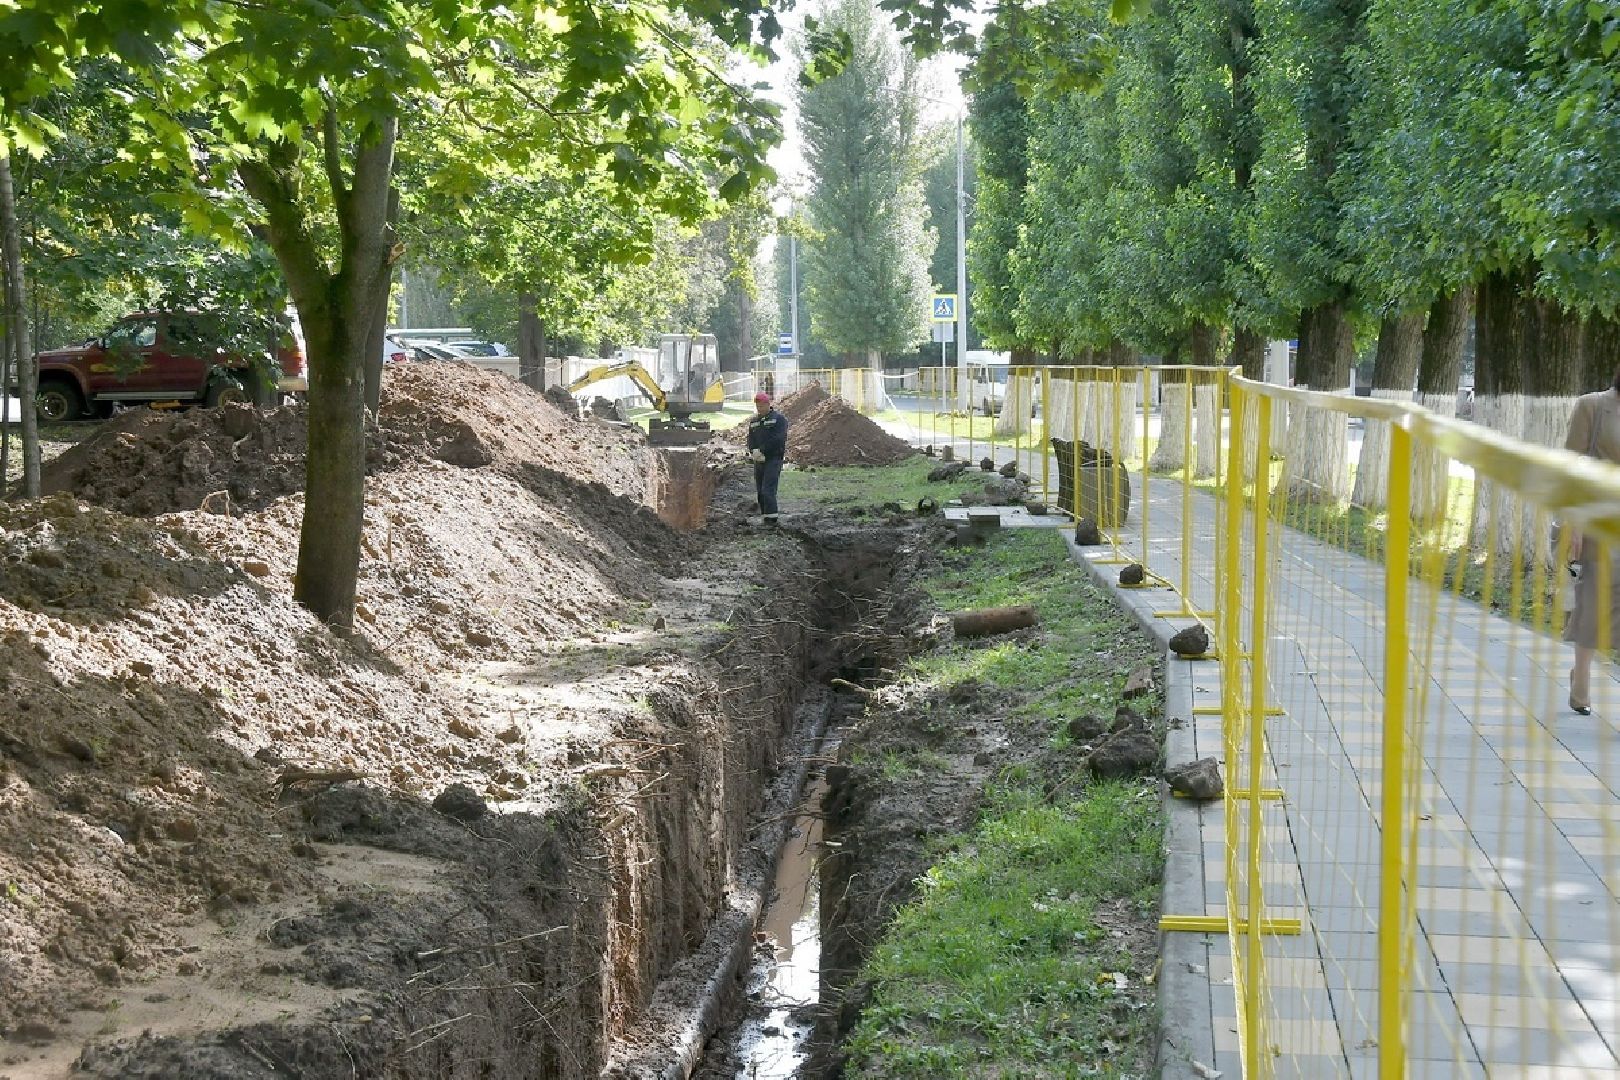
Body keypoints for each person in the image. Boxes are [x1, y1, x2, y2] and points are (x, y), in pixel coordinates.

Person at [1562, 381, 1620, 713]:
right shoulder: (1593, 406)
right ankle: (1581, 676)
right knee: (1593, 598)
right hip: (1598, 518)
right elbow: (1573, 468)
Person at [746, 391, 788, 522]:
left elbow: (778, 439)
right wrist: (753, 451)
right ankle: (765, 516)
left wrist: (763, 451)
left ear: (768, 404)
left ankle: (772, 520)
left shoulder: (778, 419)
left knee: (767, 490)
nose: (760, 409)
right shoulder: (754, 422)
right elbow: (750, 439)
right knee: (760, 491)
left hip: (773, 459)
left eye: (762, 406)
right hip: (759, 460)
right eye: (757, 406)